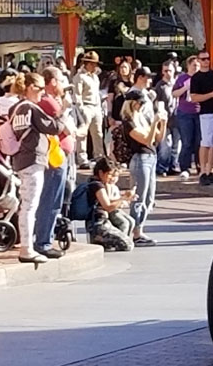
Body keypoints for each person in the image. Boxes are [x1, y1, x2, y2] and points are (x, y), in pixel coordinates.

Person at [9, 72, 63, 264]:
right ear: (31, 88)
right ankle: (27, 248)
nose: (43, 93)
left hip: (21, 160)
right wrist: (62, 111)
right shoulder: (31, 108)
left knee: (27, 205)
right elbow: (54, 127)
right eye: (40, 89)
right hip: (33, 159)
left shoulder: (15, 108)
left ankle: (27, 245)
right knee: (30, 206)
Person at [34, 67, 73, 259]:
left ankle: (43, 238)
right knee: (50, 200)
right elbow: (64, 128)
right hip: (54, 157)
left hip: (57, 156)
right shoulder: (49, 103)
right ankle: (43, 241)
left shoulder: (49, 101)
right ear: (53, 82)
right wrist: (65, 109)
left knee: (52, 200)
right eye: (61, 79)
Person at [121, 89, 165, 245]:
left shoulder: (142, 118)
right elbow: (146, 140)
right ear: (131, 103)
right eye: (139, 102)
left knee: (149, 198)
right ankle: (135, 231)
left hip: (151, 157)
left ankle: (139, 229)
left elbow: (158, 138)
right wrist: (154, 123)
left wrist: (162, 121)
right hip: (140, 158)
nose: (141, 106)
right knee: (139, 195)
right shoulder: (128, 121)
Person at [189, 51, 213, 186]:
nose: (206, 61)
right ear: (198, 60)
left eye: (208, 58)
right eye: (203, 59)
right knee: (205, 142)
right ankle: (202, 172)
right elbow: (194, 97)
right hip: (206, 113)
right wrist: (212, 94)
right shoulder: (196, 78)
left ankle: (209, 171)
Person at [84, 158, 135, 251]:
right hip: (98, 224)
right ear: (101, 172)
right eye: (109, 174)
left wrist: (123, 198)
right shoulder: (97, 186)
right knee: (128, 245)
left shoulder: (95, 183)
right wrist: (123, 198)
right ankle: (100, 239)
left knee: (127, 224)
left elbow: (108, 201)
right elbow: (107, 207)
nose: (111, 178)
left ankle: (106, 241)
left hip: (103, 221)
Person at [172, 55, 201, 176]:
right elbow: (174, 93)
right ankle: (185, 167)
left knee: (199, 141)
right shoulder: (182, 78)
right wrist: (185, 87)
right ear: (188, 66)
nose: (196, 67)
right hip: (185, 112)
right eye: (194, 65)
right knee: (187, 141)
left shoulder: (202, 78)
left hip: (199, 111)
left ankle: (200, 166)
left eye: (198, 65)